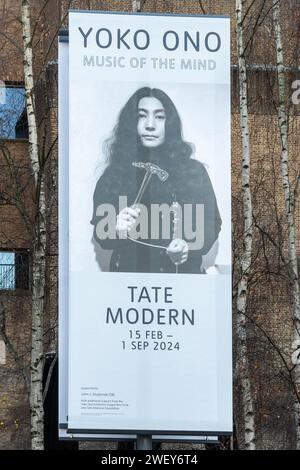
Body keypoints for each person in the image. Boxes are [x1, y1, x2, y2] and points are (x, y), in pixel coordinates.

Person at [91, 87, 221, 273]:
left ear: (169, 123)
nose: (150, 125)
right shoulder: (114, 175)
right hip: (129, 283)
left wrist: (188, 245)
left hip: (183, 283)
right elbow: (102, 236)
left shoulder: (194, 172)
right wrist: (115, 227)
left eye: (159, 117)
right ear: (131, 123)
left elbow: (212, 223)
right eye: (141, 116)